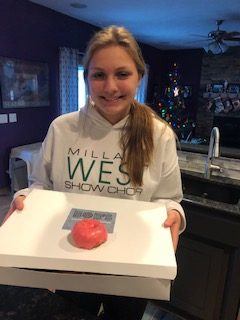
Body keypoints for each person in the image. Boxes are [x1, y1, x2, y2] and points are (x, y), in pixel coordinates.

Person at [3, 25, 186, 320]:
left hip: (132, 265)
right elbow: (41, 185)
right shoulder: (62, 128)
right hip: (70, 259)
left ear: (139, 75)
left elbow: (169, 198)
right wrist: (25, 198)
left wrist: (174, 214)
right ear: (87, 78)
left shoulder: (159, 135)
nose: (110, 87)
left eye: (122, 74)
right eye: (99, 75)